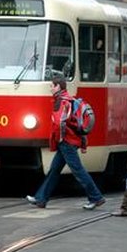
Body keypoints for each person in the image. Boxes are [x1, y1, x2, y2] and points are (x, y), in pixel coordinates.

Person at [26, 76, 106, 210]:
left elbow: (59, 122)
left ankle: (96, 197)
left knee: (78, 170)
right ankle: (41, 199)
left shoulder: (61, 101)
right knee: (54, 170)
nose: (50, 88)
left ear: (58, 87)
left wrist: (58, 139)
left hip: (67, 141)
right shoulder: (69, 99)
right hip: (70, 140)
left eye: (52, 86)